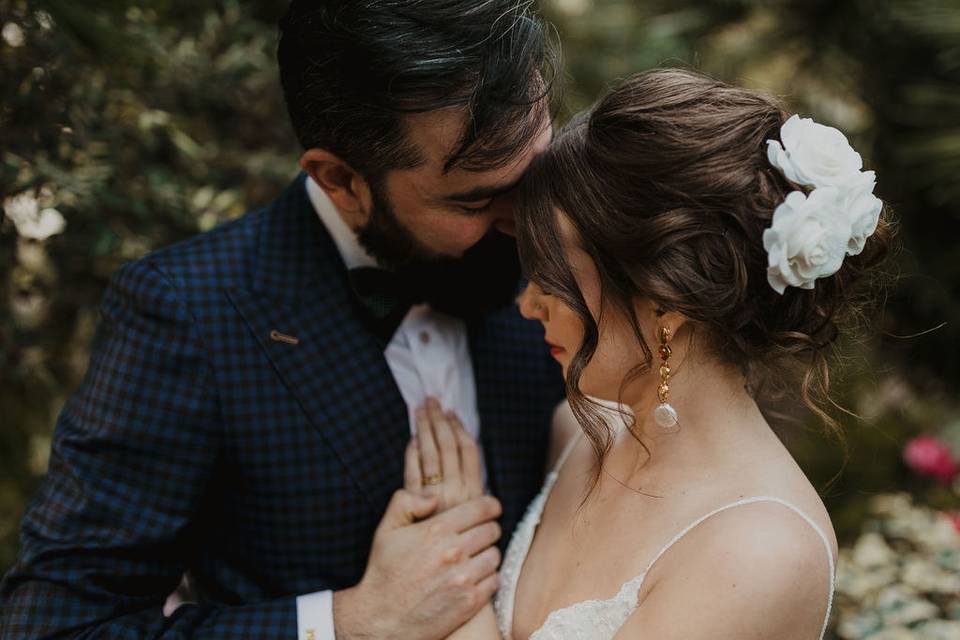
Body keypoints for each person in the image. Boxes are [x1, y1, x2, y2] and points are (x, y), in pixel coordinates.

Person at [0, 2, 564, 639]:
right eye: (477, 197)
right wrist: (352, 621)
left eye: (538, 169)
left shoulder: (572, 269)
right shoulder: (188, 312)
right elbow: (52, 627)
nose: (529, 219)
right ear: (340, 179)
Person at [401, 68, 891, 639]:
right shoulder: (578, 433)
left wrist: (453, 586)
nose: (528, 305)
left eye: (555, 277)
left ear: (667, 300)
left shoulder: (761, 554)